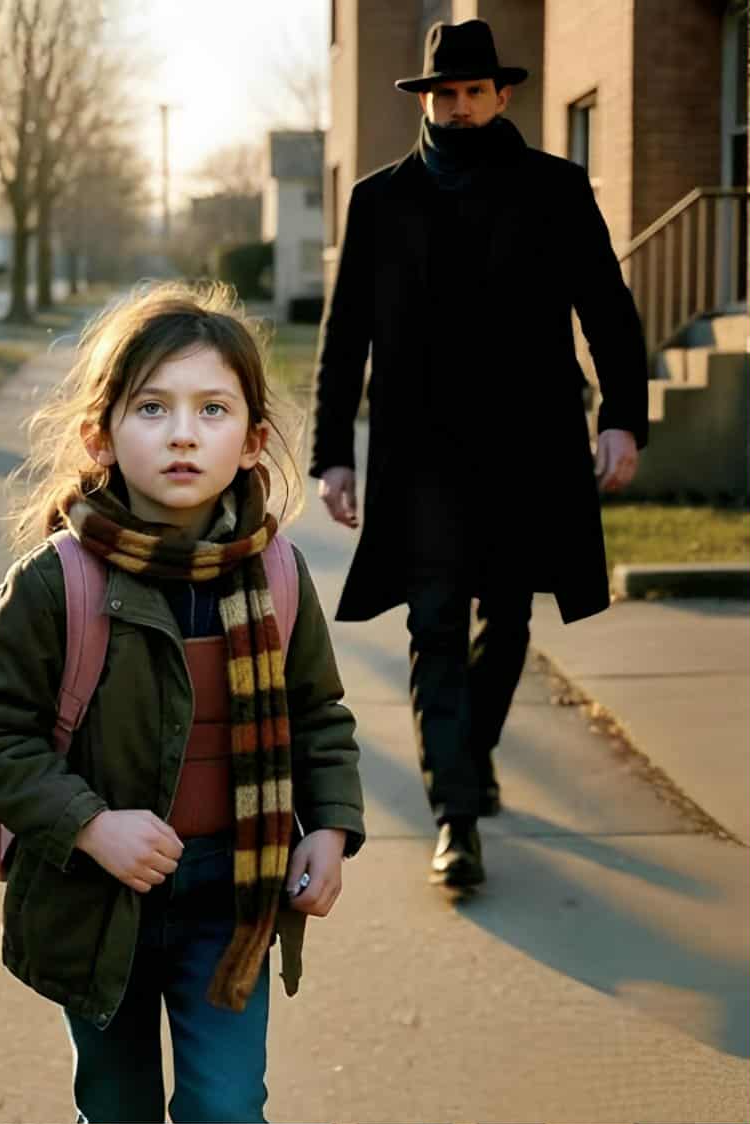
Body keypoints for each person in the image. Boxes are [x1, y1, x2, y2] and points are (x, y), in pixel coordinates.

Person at [0, 283, 365, 1124]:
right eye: (152, 408)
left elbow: (318, 713)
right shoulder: (56, 582)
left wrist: (328, 823)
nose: (183, 432)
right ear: (99, 436)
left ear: (251, 442)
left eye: (212, 409)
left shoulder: (276, 575)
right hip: (95, 897)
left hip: (233, 895)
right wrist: (91, 823)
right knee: (115, 1105)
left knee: (226, 1106)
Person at [310, 19, 647, 892]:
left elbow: (607, 310)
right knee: (433, 629)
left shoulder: (556, 189)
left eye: (471, 92)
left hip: (530, 444)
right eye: (442, 94)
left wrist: (622, 419)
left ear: (502, 96)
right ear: (425, 100)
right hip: (418, 455)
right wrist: (332, 454)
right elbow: (343, 334)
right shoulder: (380, 199)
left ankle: (467, 757)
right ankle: (455, 819)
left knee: (508, 624)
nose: (456, 108)